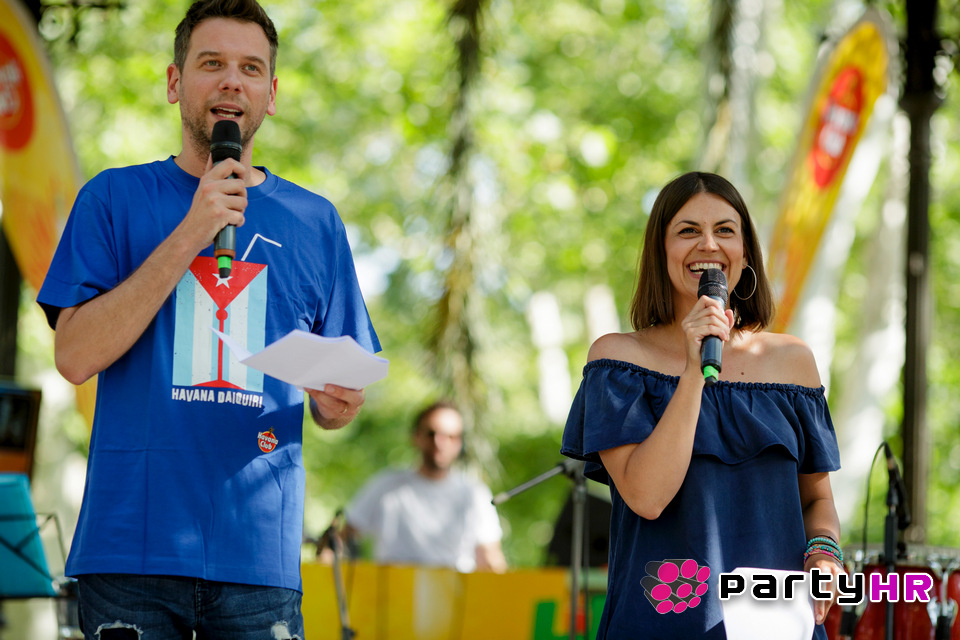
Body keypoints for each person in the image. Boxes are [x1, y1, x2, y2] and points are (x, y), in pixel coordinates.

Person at [36, 1, 380, 637]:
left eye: (251, 68)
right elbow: (74, 357)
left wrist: (336, 402)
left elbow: (338, 403)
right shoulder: (112, 198)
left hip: (259, 557)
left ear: (271, 94)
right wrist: (192, 230)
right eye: (212, 63)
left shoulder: (315, 221)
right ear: (175, 82)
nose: (232, 82)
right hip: (130, 548)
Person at [561, 171, 843, 639]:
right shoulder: (618, 360)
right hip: (661, 623)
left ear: (745, 254)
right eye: (688, 230)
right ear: (661, 252)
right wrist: (695, 372)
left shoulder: (792, 362)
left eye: (725, 230)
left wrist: (824, 553)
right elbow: (647, 498)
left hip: (775, 622)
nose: (708, 244)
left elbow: (817, 499)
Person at [344, 401, 507, 573]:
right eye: (431, 434)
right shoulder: (386, 486)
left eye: (451, 436)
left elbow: (489, 557)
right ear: (416, 436)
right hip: (395, 586)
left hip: (456, 587)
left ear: (460, 443)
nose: (440, 443)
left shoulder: (474, 493)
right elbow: (343, 538)